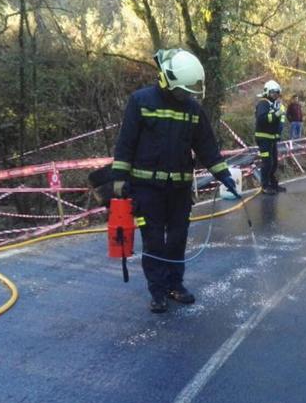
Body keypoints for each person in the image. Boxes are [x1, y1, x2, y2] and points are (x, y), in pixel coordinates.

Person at [111, 48, 239, 314]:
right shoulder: (141, 102)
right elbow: (126, 144)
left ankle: (175, 285)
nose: (187, 96)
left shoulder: (193, 110)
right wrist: (119, 180)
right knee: (154, 240)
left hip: (180, 190)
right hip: (147, 190)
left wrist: (224, 175)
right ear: (168, 80)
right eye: (183, 90)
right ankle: (157, 292)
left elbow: (207, 147)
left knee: (178, 238)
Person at [255, 80, 287, 195]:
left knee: (274, 163)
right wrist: (277, 114)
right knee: (267, 162)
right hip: (263, 139)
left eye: (277, 93)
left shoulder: (273, 104)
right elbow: (262, 119)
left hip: (271, 139)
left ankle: (273, 184)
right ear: (267, 91)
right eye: (273, 92)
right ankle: (265, 186)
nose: (275, 95)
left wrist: (278, 131)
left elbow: (277, 122)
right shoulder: (263, 103)